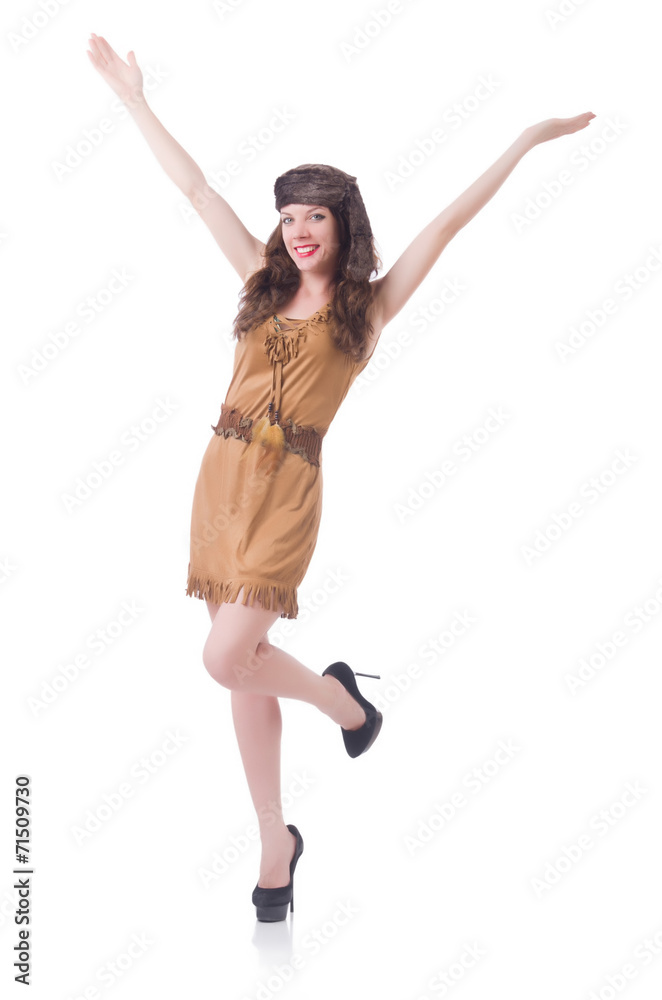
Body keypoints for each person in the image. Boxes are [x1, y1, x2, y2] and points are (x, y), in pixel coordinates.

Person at [87, 31, 596, 922]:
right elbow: (198, 190)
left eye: (314, 216)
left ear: (342, 224)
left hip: (287, 491)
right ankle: (274, 844)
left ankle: (343, 704)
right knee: (242, 668)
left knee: (225, 658)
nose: (297, 231)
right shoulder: (258, 281)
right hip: (220, 481)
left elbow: (446, 223)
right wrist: (134, 98)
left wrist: (525, 139)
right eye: (288, 217)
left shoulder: (366, 310)